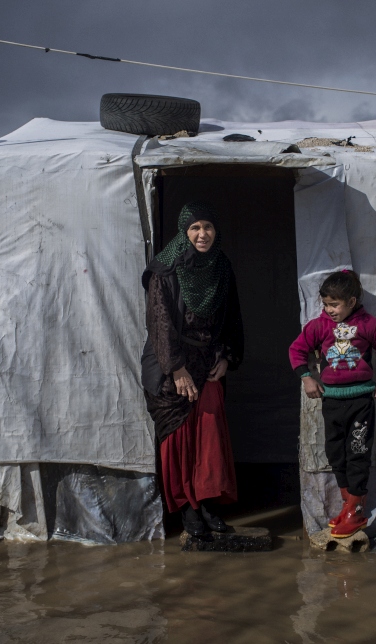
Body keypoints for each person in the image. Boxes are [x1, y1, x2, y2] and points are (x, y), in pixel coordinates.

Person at [141, 201, 244, 537]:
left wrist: (226, 355)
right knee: (180, 438)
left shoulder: (221, 267)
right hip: (170, 365)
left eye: (208, 227)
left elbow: (231, 317)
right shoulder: (165, 269)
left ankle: (209, 503)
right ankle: (188, 509)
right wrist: (176, 369)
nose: (203, 234)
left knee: (210, 436)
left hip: (209, 361)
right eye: (195, 228)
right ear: (184, 232)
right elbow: (160, 323)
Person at [288, 270, 376, 538]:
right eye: (326, 304)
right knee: (336, 453)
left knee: (357, 451)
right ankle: (349, 504)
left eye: (334, 304)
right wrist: (306, 378)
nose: (329, 310)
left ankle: (356, 512)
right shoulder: (319, 326)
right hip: (332, 401)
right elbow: (297, 349)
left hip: (361, 400)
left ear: (351, 301)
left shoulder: (371, 325)